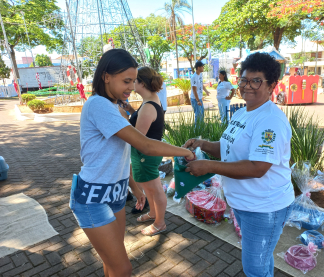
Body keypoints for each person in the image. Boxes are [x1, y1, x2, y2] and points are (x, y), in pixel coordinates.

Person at [70, 49, 194, 277]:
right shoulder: (98, 105)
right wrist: (183, 151)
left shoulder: (114, 106)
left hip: (116, 195)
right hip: (92, 198)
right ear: (106, 76)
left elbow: (120, 155)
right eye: (126, 81)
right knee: (123, 268)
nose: (130, 87)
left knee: (112, 264)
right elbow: (144, 144)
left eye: (133, 81)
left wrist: (135, 188)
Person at [184, 52, 294, 277]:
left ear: (272, 85)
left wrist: (209, 167)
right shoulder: (243, 113)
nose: (247, 86)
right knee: (261, 263)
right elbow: (227, 148)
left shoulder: (270, 120)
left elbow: (257, 167)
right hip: (244, 203)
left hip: (265, 207)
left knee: (255, 269)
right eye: (244, 80)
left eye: (256, 81)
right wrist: (203, 144)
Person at [123, 67, 167, 236]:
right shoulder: (150, 101)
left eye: (134, 80)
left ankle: (159, 223)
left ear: (141, 83)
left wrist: (122, 120)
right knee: (149, 188)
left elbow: (138, 136)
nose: (132, 84)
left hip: (146, 154)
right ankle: (154, 214)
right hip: (147, 153)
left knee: (155, 189)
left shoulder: (149, 105)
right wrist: (132, 111)